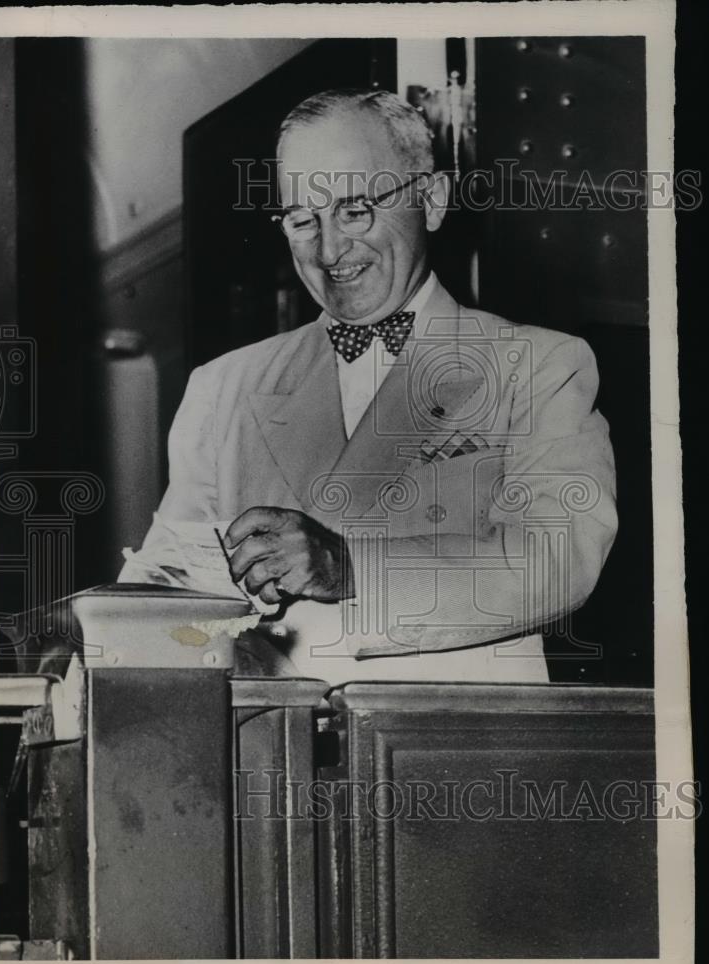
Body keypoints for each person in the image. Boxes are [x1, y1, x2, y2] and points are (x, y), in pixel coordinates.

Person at [119, 88, 617, 684]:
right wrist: (101, 631)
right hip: (266, 757)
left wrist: (350, 568)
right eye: (303, 220)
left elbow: (560, 563)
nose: (330, 251)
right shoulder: (222, 387)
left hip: (449, 760)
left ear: (431, 200)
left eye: (355, 211)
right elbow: (167, 587)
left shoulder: (538, 365)